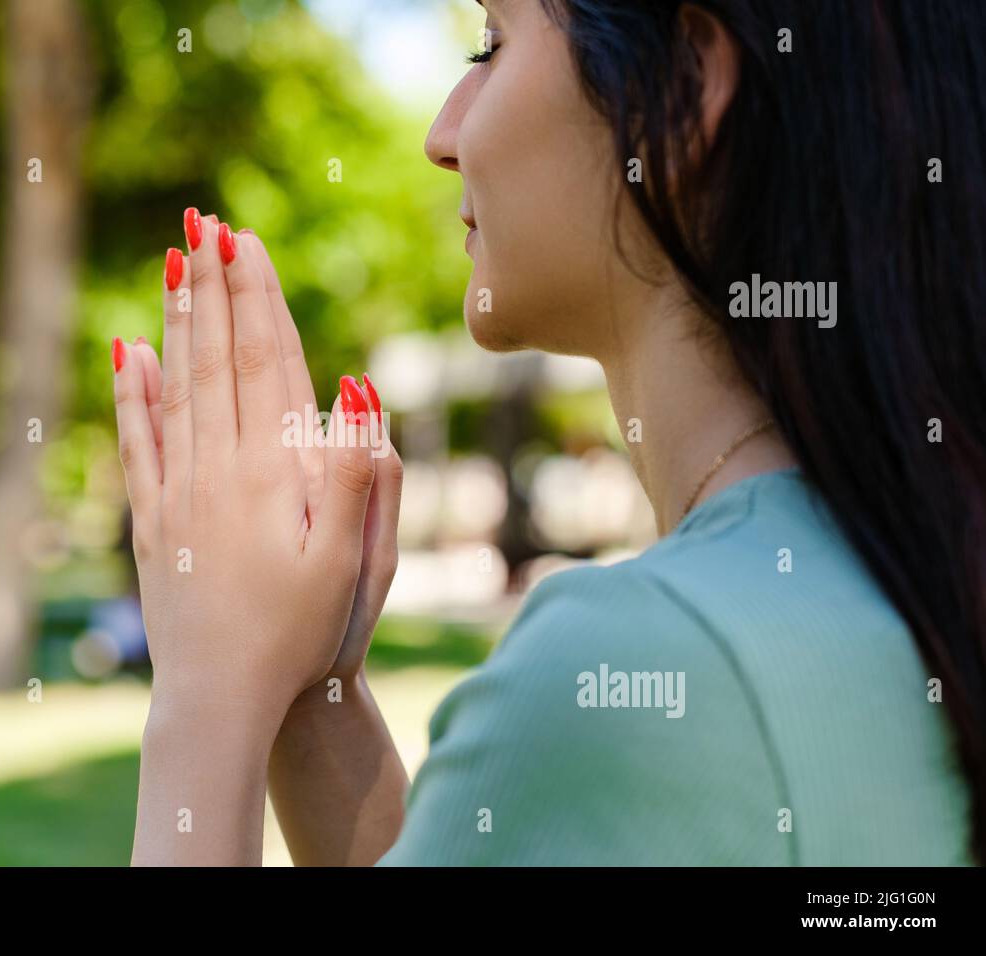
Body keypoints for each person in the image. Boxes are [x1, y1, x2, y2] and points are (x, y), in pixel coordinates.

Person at [111, 0, 985, 865]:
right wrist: (315, 688)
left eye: (490, 44)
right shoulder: (905, 574)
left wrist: (207, 694)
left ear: (682, 87)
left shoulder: (639, 671)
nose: (441, 134)